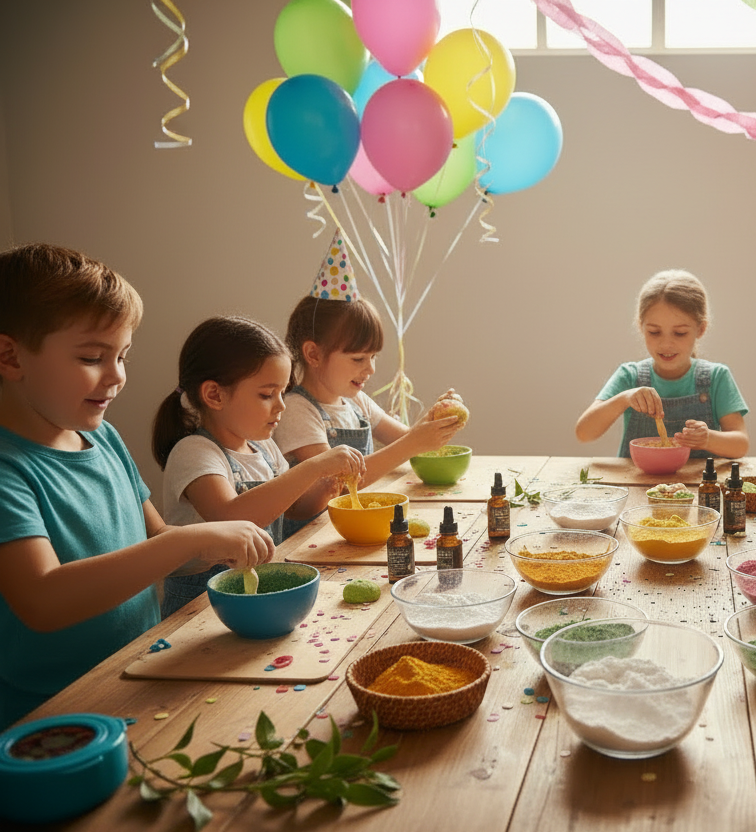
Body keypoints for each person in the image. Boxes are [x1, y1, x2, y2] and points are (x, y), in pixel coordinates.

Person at [0, 244, 272, 727]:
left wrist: (217, 545)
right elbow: (43, 600)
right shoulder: (8, 468)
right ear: (10, 356)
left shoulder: (102, 437)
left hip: (138, 674)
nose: (118, 376)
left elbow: (157, 540)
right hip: (51, 717)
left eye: (123, 355)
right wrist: (194, 537)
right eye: (91, 357)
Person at [152, 316, 365, 617]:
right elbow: (231, 518)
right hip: (199, 610)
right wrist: (313, 467)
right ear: (214, 394)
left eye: (282, 392)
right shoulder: (194, 452)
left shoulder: (263, 448)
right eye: (267, 394)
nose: (281, 405)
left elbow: (295, 508)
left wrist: (329, 484)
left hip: (255, 600)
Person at [273, 236, 461, 534]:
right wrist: (415, 442)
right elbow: (341, 483)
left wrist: (434, 421)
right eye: (358, 358)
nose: (370, 369)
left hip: (353, 531)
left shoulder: (355, 402)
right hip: (312, 540)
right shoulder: (297, 410)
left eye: (373, 357)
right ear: (313, 354)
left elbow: (407, 441)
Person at [575, 268, 749, 458]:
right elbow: (584, 433)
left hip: (698, 486)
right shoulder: (629, 376)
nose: (666, 344)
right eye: (654, 332)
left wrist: (708, 439)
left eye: (680, 333)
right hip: (637, 484)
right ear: (641, 327)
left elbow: (740, 445)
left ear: (701, 329)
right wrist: (624, 399)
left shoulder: (716, 378)